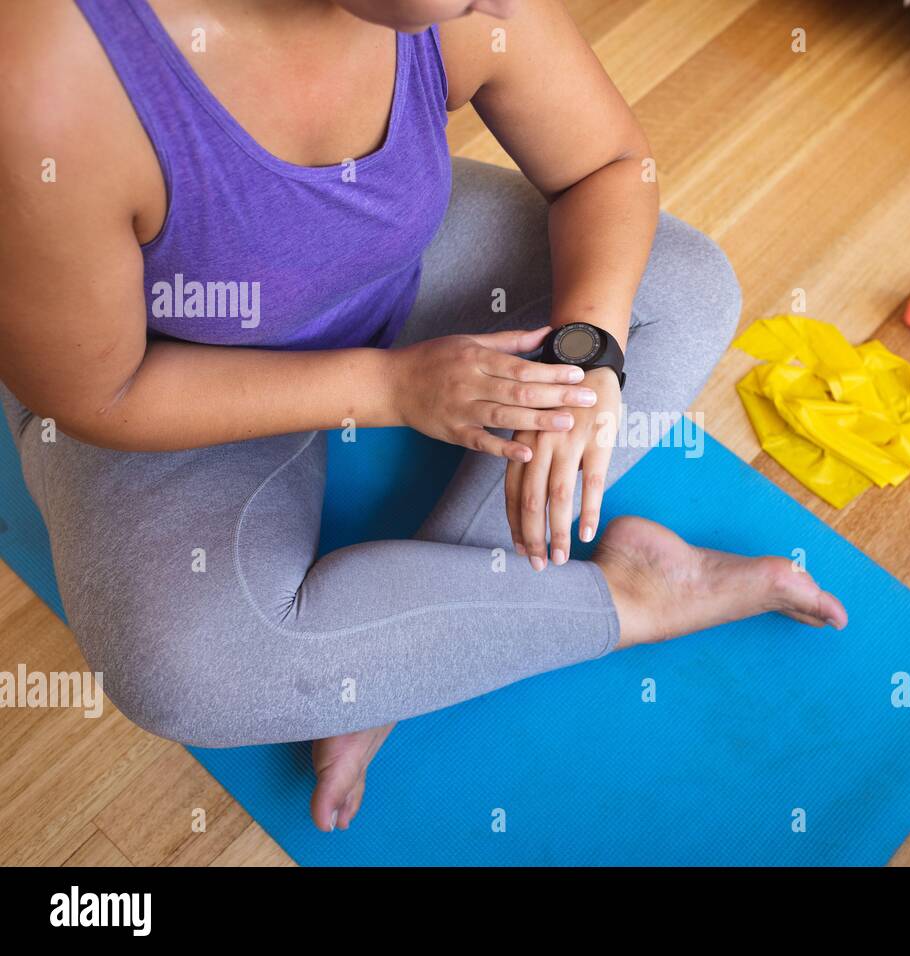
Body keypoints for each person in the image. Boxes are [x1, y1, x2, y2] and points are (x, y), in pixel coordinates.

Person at [0, 0, 847, 832]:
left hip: (382, 279)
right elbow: (97, 394)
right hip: (177, 377)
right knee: (185, 670)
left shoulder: (471, 8)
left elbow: (608, 166)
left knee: (682, 287)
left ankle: (406, 642)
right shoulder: (48, 74)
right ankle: (639, 599)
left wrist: (585, 352)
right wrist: (392, 389)